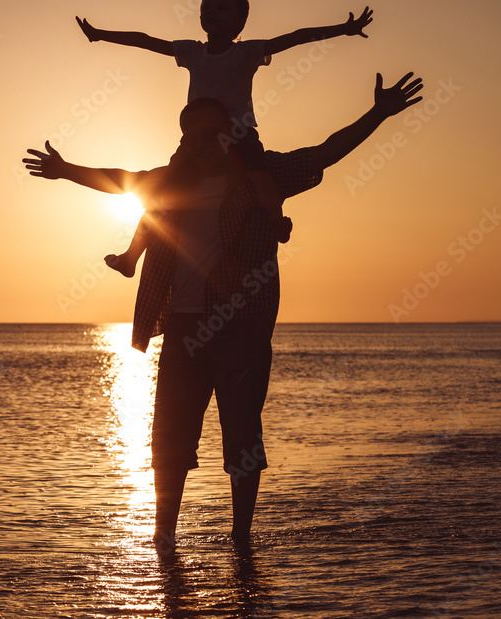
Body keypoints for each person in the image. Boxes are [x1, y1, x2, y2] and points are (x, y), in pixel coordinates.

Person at [24, 72, 423, 553]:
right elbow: (119, 180)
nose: (200, 141)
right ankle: (164, 538)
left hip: (241, 328)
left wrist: (378, 113)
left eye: (210, 131)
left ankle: (241, 539)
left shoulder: (262, 179)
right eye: (190, 134)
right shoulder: (169, 187)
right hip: (183, 326)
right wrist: (65, 169)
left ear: (230, 132)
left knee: (242, 437)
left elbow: (324, 153)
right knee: (169, 441)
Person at [76, 0, 373, 277]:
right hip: (196, 139)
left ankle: (276, 220)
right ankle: (131, 257)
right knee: (163, 194)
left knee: (259, 176)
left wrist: (342, 29)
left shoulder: (246, 52)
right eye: (206, 7)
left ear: (239, 22)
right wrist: (101, 35)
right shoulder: (191, 51)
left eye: (221, 8)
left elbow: (297, 38)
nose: (211, 12)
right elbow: (145, 40)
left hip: (238, 132)